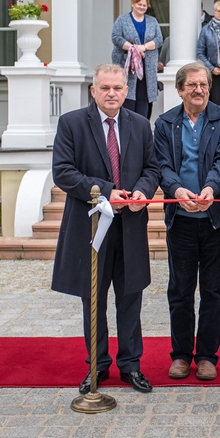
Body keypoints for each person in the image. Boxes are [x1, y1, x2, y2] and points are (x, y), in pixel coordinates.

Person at [51, 64, 161, 395]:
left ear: (126, 91)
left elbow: (152, 168)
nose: (111, 93)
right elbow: (63, 172)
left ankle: (131, 365)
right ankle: (97, 366)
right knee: (93, 298)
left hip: (130, 227)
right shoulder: (71, 123)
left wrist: (142, 191)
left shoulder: (140, 125)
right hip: (91, 228)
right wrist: (105, 191)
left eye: (117, 88)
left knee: (130, 298)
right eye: (105, 88)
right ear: (93, 91)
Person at [154, 62, 220, 381]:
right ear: (180, 90)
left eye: (203, 84)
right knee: (180, 289)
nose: (199, 89)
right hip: (180, 218)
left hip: (216, 218)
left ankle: (206, 356)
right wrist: (176, 190)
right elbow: (162, 165)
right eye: (192, 85)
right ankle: (180, 355)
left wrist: (211, 188)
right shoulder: (165, 123)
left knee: (214, 290)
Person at [111, 0, 163, 119]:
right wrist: (133, 49)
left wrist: (143, 47)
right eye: (139, 4)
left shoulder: (152, 21)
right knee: (128, 99)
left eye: (144, 5)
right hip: (128, 67)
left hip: (147, 69)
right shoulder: (122, 20)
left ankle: (142, 127)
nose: (142, 7)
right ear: (133, 4)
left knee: (144, 100)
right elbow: (116, 37)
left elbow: (159, 39)